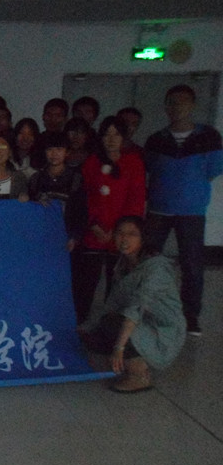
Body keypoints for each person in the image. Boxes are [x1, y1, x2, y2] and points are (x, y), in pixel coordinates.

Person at [144, 84, 223, 336]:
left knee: (192, 265)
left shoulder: (209, 136)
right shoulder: (156, 139)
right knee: (148, 262)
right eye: (172, 101)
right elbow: (150, 169)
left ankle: (190, 317)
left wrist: (190, 191)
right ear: (166, 106)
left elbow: (213, 171)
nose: (177, 106)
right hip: (158, 209)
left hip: (192, 211)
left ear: (193, 105)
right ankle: (145, 311)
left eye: (183, 101)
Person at [80, 216, 185, 393]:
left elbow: (135, 309)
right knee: (93, 337)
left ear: (144, 238)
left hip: (162, 330)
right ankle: (129, 358)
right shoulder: (124, 264)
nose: (124, 239)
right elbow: (113, 303)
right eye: (120, 233)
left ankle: (139, 374)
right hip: (141, 322)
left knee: (113, 324)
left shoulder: (156, 268)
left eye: (132, 234)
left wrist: (119, 347)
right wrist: (85, 328)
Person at [74, 116, 146, 324]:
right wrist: (94, 224)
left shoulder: (134, 162)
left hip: (121, 234)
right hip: (94, 231)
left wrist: (118, 231)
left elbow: (136, 200)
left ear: (124, 137)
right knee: (86, 281)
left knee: (117, 283)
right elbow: (85, 198)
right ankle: (79, 322)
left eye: (116, 134)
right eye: (107, 134)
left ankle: (110, 323)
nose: (111, 139)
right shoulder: (92, 162)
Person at [28, 131, 86, 251]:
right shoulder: (36, 179)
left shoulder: (76, 179)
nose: (54, 154)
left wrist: (74, 237)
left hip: (66, 237)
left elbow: (81, 211)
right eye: (50, 149)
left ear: (67, 152)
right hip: (40, 236)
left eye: (59, 149)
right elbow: (29, 210)